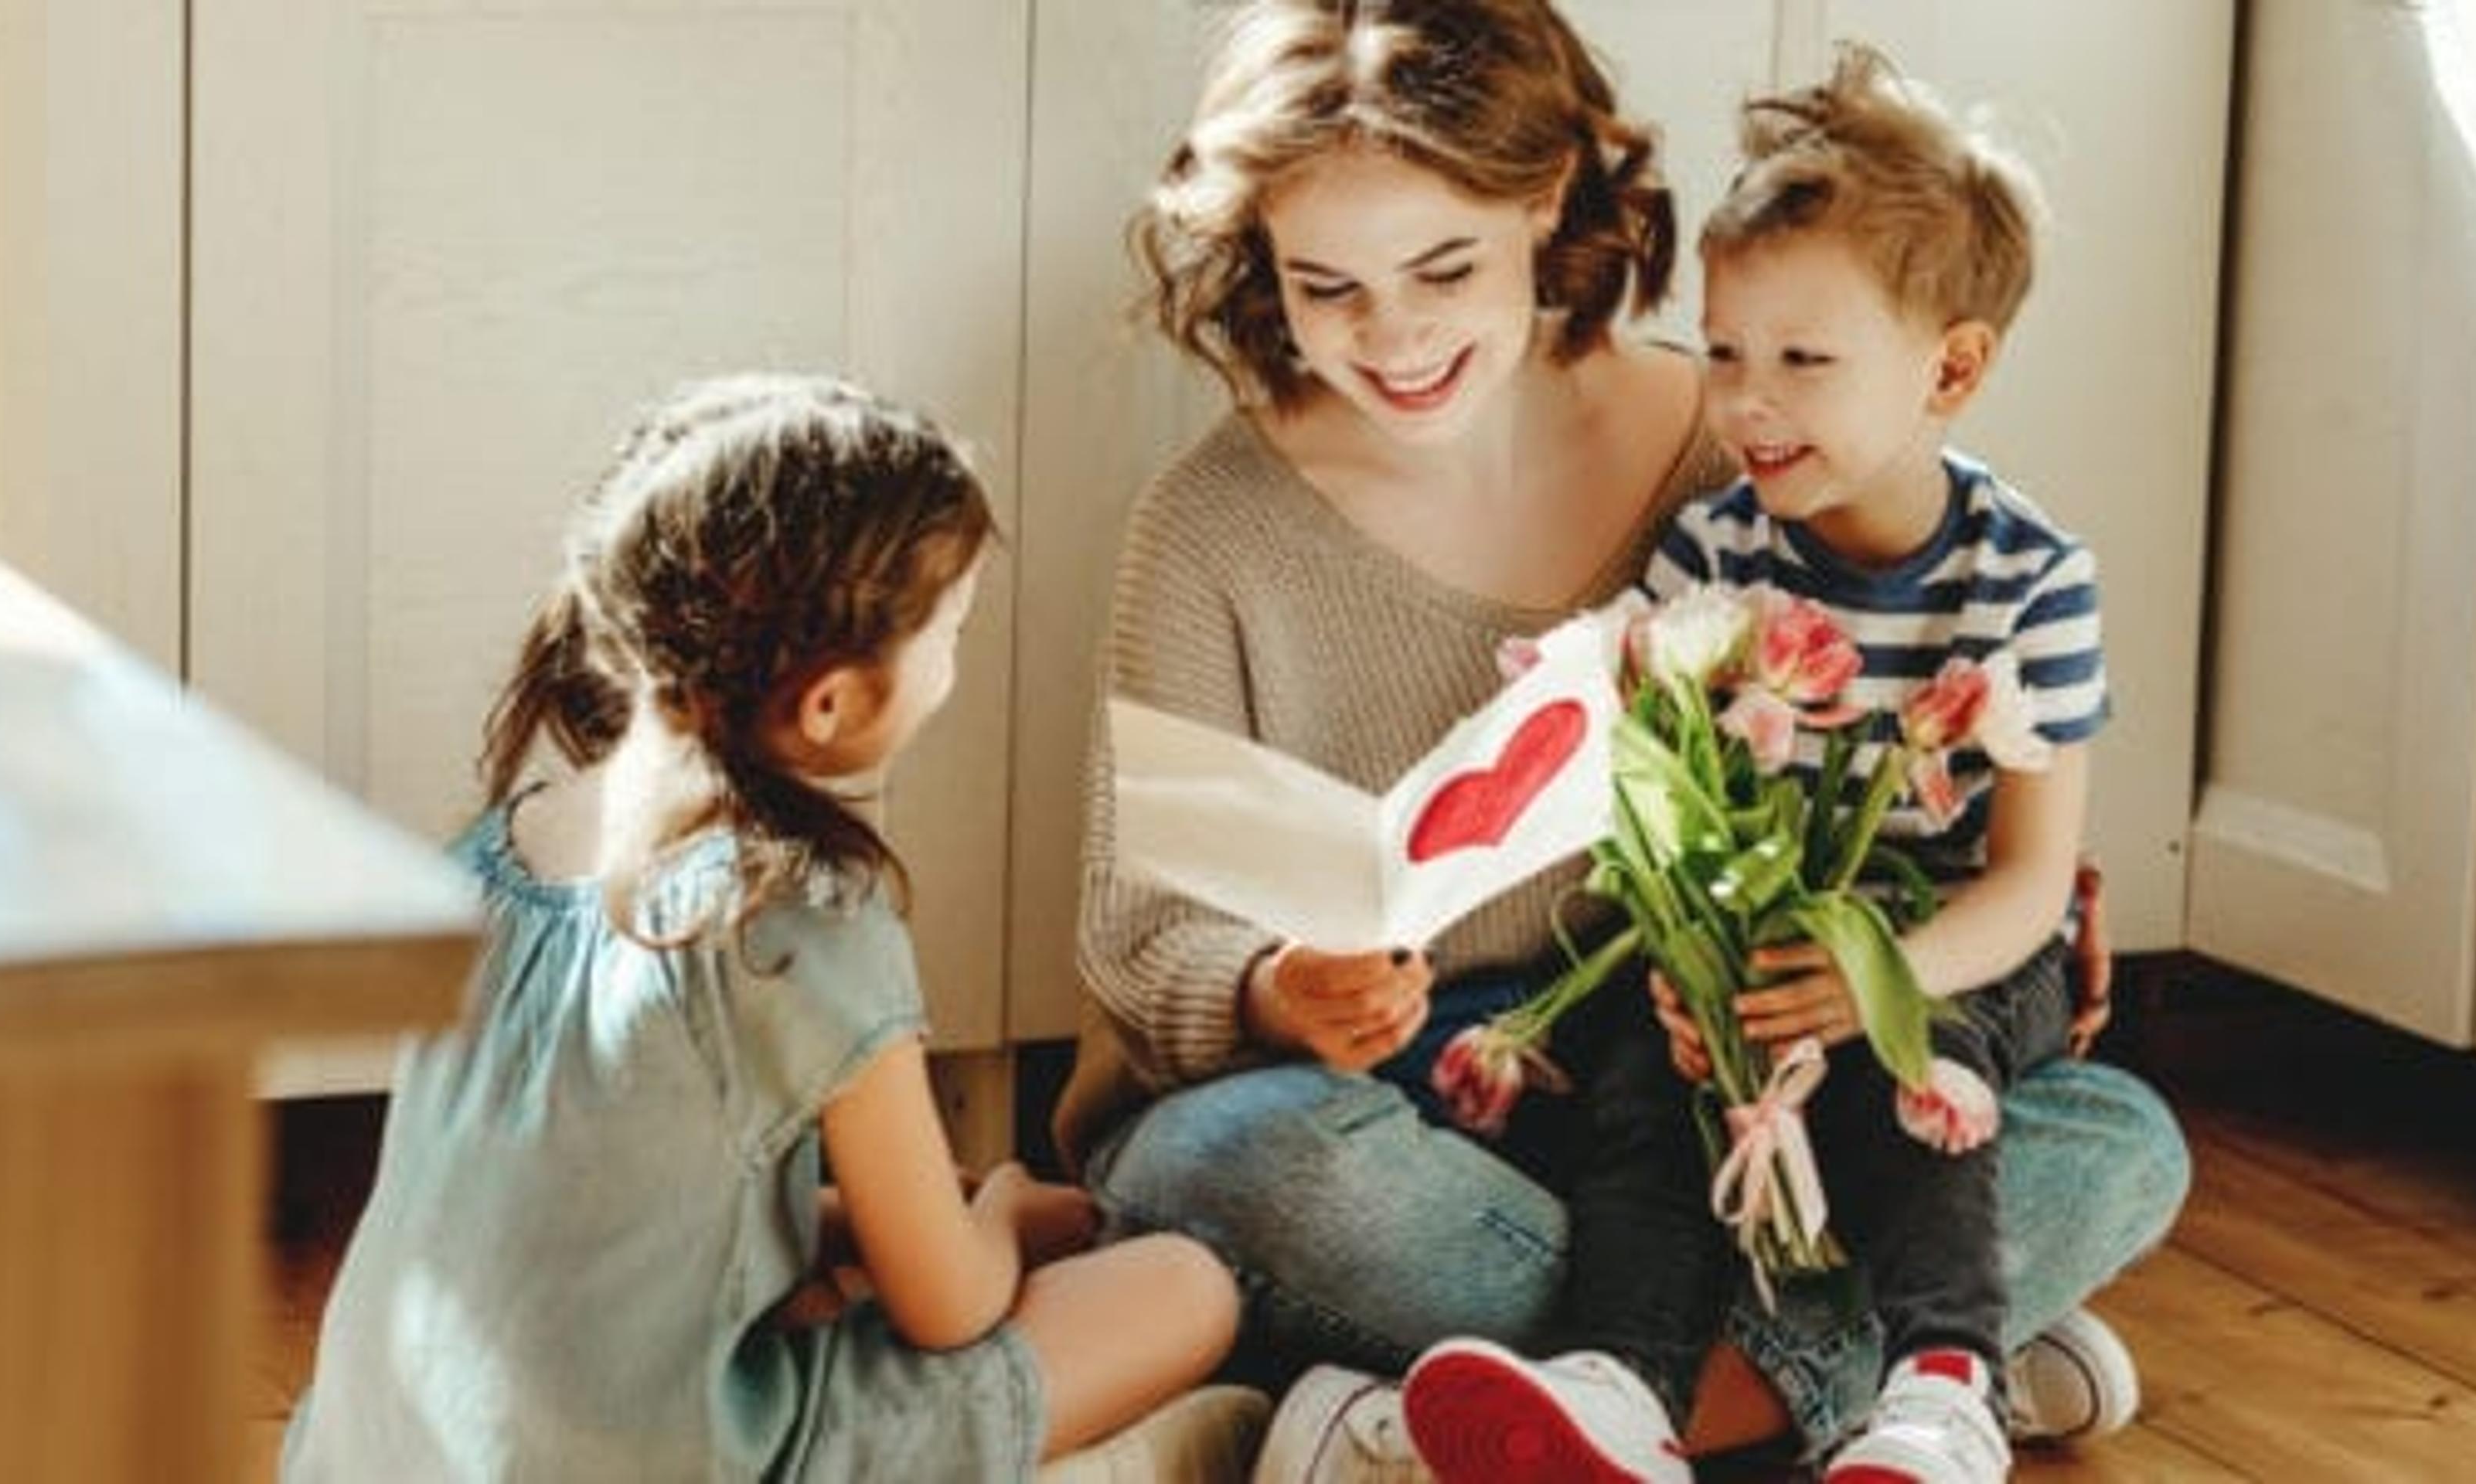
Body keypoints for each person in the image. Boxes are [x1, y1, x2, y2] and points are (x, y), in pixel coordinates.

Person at [1061, 2, 2191, 1477]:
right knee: (1246, 1167)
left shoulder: (1737, 438)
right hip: (1408, 1122)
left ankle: (1541, 1419)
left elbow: (1919, 681)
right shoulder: (1210, 526)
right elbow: (1143, 942)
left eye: (1445, 269)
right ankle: (1861, 1381)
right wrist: (1280, 995)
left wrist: (1987, 898)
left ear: (1546, 201)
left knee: (2121, 1139)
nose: (1391, 340)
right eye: (1325, 286)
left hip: (1710, 1093)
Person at [283, 373, 1238, 1482]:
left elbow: (597, 1200)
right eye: (954, 631)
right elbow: (951, 1305)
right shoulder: (795, 918)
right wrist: (1008, 1215)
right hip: (669, 1460)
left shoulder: (494, 852)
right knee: (1184, 1289)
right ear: (831, 702)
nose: (953, 667)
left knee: (832, 1277)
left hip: (376, 1455)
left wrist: (862, 1227)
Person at [1400, 45, 2124, 1484]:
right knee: (1644, 1084)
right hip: (1758, 917)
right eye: (1725, 352)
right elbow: (1665, 798)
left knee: (1912, 1077)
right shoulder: (1718, 552)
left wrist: (1883, 984)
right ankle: (1622, 1383)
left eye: (1804, 361)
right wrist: (1696, 971)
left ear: (1952, 368)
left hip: (1949, 931)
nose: (1747, 402)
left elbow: (2032, 881)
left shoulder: (2030, 577)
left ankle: (1943, 1387)